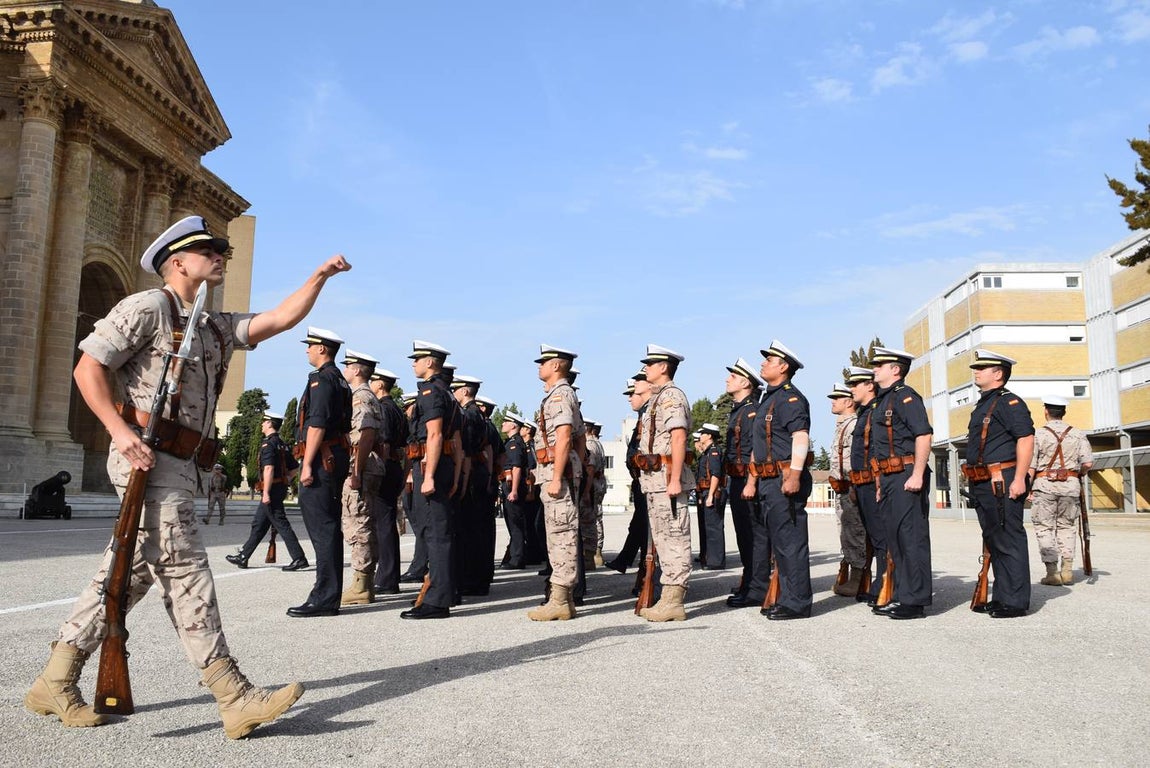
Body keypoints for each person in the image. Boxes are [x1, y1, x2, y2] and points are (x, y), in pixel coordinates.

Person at [26, 215, 349, 738]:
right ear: (178, 261)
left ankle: (55, 679)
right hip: (146, 460)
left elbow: (277, 321)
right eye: (210, 249)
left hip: (182, 465)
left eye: (222, 248)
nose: (221, 255)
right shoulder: (148, 307)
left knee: (126, 574)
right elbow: (88, 366)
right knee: (185, 567)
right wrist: (119, 431)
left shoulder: (210, 323)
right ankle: (233, 694)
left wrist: (318, 278)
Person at [962, 349, 1035, 619]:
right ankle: (1003, 595)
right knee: (994, 538)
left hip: (1002, 480)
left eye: (982, 368)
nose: (976, 371)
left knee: (1009, 538)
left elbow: (1025, 438)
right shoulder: (984, 404)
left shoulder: (1009, 402)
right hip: (984, 481)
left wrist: (1019, 478)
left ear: (998, 374)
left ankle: (1015, 601)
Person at [745, 340, 813, 620]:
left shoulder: (790, 398)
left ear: (783, 367)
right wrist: (752, 480)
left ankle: (797, 603)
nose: (762, 363)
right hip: (767, 480)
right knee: (779, 543)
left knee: (790, 542)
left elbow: (800, 436)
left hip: (785, 477)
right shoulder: (769, 398)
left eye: (768, 360)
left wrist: (795, 474)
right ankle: (786, 597)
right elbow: (758, 446)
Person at [287, 328, 353, 618]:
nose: (307, 351)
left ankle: (325, 597)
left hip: (322, 458)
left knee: (323, 528)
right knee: (328, 528)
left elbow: (317, 424)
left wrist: (307, 464)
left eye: (310, 346)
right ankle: (328, 594)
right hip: (333, 456)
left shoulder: (322, 380)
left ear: (323, 349)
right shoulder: (338, 380)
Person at [868, 347, 933, 620]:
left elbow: (923, 435)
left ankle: (914, 601)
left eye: (879, 365)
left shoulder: (906, 397)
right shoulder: (883, 401)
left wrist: (917, 474)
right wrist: (881, 481)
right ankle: (901, 594)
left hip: (907, 472)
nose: (874, 369)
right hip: (890, 476)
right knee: (895, 540)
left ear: (895, 369)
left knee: (911, 538)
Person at [634, 344, 694, 622]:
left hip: (666, 478)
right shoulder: (656, 399)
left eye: (650, 363)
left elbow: (678, 438)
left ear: (663, 367)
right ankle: (667, 598)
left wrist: (674, 479)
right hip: (654, 481)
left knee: (675, 537)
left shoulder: (672, 397)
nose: (645, 368)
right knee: (662, 538)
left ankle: (674, 601)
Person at [401, 340, 459, 619]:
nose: (413, 363)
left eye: (417, 359)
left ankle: (437, 600)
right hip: (437, 463)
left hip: (430, 464)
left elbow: (435, 435)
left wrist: (430, 475)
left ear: (430, 362)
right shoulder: (445, 392)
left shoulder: (431, 391)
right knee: (436, 532)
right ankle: (437, 592)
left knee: (436, 534)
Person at [527, 345, 585, 621]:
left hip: (555, 471)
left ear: (556, 366)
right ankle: (563, 599)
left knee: (561, 535)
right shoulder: (559, 395)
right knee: (556, 533)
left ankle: (560, 599)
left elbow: (565, 436)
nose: (540, 366)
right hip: (553, 469)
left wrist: (559, 475)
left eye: (544, 362)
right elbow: (581, 439)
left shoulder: (561, 395)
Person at [224, 411, 308, 571]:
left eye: (264, 421)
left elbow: (268, 468)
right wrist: (286, 479)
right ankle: (244, 556)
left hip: (271, 490)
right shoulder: (281, 444)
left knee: (281, 523)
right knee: (259, 524)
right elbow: (295, 467)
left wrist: (267, 492)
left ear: (270, 424)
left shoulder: (268, 445)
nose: (262, 424)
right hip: (279, 487)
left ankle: (299, 558)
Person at [1028, 395, 1093, 586]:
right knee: (1067, 527)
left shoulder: (1038, 434)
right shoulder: (1078, 433)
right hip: (1070, 486)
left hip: (1044, 485)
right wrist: (1076, 474)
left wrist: (1027, 488)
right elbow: (1088, 462)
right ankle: (1067, 571)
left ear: (1046, 411)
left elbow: (1031, 465)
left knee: (1044, 527)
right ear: (1064, 412)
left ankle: (1052, 573)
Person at [338, 350, 384, 606]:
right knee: (363, 522)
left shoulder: (361, 397)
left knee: (359, 524)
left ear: (356, 370)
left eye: (347, 366)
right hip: (367, 466)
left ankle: (362, 584)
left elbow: (365, 433)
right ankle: (363, 581)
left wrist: (356, 471)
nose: (345, 370)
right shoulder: (368, 396)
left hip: (362, 466)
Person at [723, 358, 764, 606]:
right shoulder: (739, 409)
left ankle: (757, 588)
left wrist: (751, 482)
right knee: (743, 536)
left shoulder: (752, 411)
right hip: (737, 478)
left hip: (748, 480)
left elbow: (755, 450)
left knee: (753, 536)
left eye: (733, 376)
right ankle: (749, 582)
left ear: (745, 382)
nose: (727, 379)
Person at [846, 366, 887, 606]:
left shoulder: (876, 411)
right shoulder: (864, 413)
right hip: (862, 483)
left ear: (870, 385)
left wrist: (879, 481)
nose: (852, 389)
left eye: (855, 385)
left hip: (874, 482)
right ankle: (877, 583)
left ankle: (884, 583)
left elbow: (878, 449)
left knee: (881, 537)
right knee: (872, 537)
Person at [604, 374, 652, 576]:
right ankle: (629, 564)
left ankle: (643, 574)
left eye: (632, 393)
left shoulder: (650, 413)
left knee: (646, 531)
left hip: (648, 481)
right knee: (639, 527)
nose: (629, 398)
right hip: (640, 481)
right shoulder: (643, 416)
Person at [370, 368, 408, 595]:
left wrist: (379, 469)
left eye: (373, 381)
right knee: (387, 523)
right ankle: (388, 575)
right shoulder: (397, 409)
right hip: (395, 467)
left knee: (383, 524)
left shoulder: (383, 408)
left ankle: (386, 578)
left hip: (386, 467)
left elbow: (383, 443)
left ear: (381, 385)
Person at [828, 382, 867, 596]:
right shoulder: (842, 425)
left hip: (850, 487)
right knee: (846, 531)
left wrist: (854, 485)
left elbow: (855, 457)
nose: (832, 402)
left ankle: (859, 577)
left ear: (849, 402)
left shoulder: (853, 426)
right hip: (842, 488)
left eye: (837, 398)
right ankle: (852, 571)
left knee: (854, 531)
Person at [499, 412, 530, 569]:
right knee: (513, 523)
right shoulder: (512, 442)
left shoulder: (514, 443)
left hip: (512, 485)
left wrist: (514, 490)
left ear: (513, 425)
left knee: (515, 524)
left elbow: (516, 467)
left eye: (506, 422)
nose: (503, 424)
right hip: (509, 484)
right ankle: (515, 556)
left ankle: (517, 559)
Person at [696, 423, 726, 570]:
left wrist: (711, 495)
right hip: (706, 491)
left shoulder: (713, 452)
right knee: (708, 527)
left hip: (713, 492)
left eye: (702, 434)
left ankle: (716, 561)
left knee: (714, 527)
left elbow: (715, 474)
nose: (700, 436)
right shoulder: (707, 452)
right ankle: (708, 556)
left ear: (709, 436)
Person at [584, 420, 609, 567]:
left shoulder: (590, 444)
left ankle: (596, 552)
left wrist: (587, 489)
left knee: (593, 517)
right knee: (596, 516)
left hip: (594, 483)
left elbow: (591, 468)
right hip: (598, 483)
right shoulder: (596, 442)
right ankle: (596, 550)